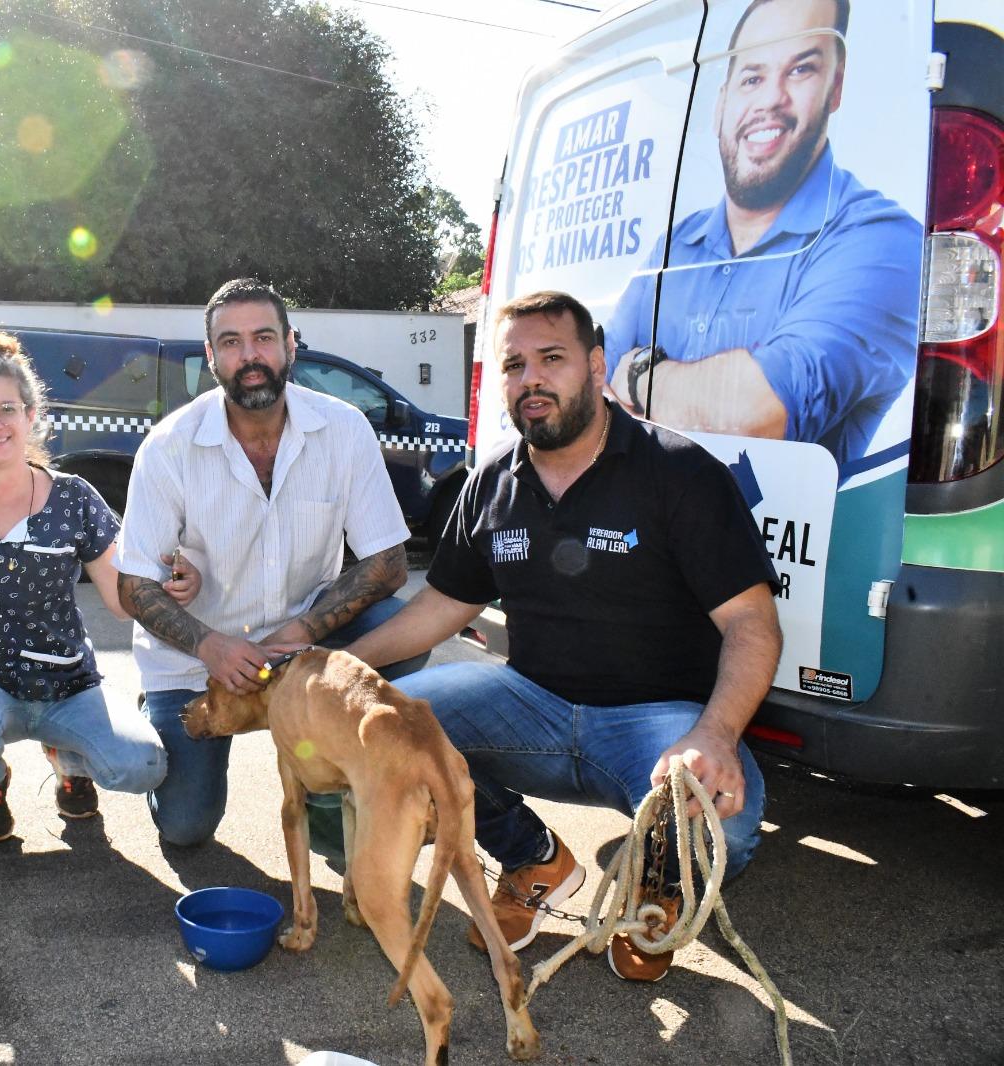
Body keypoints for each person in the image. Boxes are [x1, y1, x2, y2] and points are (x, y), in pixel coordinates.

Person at [347, 290, 782, 983]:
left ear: (597, 365)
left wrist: (716, 734)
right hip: (533, 702)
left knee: (726, 822)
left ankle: (655, 895)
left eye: (552, 359)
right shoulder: (491, 479)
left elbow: (751, 623)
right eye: (514, 366)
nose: (531, 381)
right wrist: (338, 666)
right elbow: (441, 607)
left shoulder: (680, 471)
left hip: (655, 725)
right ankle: (533, 859)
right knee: (393, 726)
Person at [114, 277, 427, 849]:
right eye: (230, 342)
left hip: (304, 647)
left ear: (290, 344)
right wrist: (211, 645)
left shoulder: (344, 428)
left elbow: (387, 563)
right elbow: (134, 586)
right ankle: (165, 726)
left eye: (263, 337)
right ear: (211, 357)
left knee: (402, 635)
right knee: (186, 827)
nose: (249, 355)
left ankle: (336, 795)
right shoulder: (168, 447)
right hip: (196, 659)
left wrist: (300, 634)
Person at [604, 0, 920, 477]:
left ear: (835, 88)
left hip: (785, 552)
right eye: (752, 77)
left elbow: (753, 415)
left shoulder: (882, 242)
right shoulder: (674, 248)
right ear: (721, 104)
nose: (771, 98)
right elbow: (586, 390)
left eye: (800, 70)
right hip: (647, 545)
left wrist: (636, 373)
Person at [0, 329, 198, 844]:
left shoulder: (74, 497)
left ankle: (68, 760)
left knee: (142, 765)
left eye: (7, 409)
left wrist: (169, 580)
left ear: (32, 415)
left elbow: (121, 598)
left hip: (63, 684)